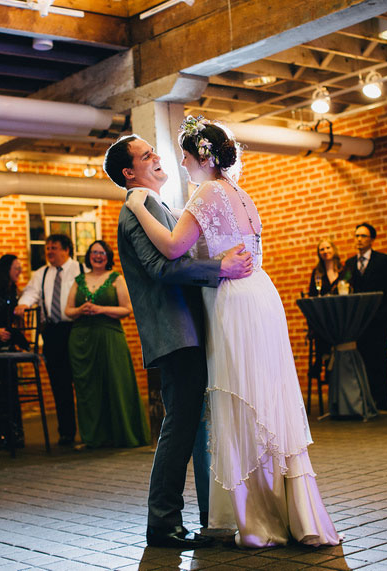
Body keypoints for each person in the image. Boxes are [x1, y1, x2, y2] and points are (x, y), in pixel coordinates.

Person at [126, 116, 341, 549]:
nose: (181, 165)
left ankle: (257, 517)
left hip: (232, 301)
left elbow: (170, 248)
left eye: (185, 157)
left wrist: (135, 205)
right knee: (267, 399)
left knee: (240, 402)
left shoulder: (204, 193)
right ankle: (294, 511)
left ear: (201, 157)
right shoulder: (241, 194)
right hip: (261, 294)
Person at [103, 134, 252, 549]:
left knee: (189, 425)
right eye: (145, 154)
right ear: (129, 172)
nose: (156, 156)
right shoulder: (139, 206)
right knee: (179, 427)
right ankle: (163, 523)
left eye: (154, 150)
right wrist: (218, 267)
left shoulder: (157, 205)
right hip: (174, 332)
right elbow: (160, 270)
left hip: (187, 330)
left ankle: (202, 516)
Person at [65, 239, 150, 449]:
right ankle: (92, 438)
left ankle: (124, 435)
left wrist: (101, 310)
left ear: (108, 256)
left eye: (102, 253)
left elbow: (127, 309)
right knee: (88, 390)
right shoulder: (79, 280)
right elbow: (67, 311)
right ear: (89, 256)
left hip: (110, 336)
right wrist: (80, 310)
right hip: (82, 339)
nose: (98, 256)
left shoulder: (116, 278)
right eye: (94, 252)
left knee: (117, 384)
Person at [15, 234, 81, 446]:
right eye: (47, 248)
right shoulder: (41, 273)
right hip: (52, 332)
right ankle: (66, 432)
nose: (49, 251)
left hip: (75, 329)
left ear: (66, 250)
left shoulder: (79, 269)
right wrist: (23, 304)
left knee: (81, 380)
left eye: (54, 248)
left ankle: (91, 430)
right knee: (59, 382)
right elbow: (31, 293)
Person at [344, 223, 387, 411]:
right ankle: (366, 399)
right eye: (356, 235)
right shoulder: (350, 263)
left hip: (379, 319)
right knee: (363, 357)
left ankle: (384, 398)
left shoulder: (383, 260)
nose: (359, 239)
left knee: (380, 358)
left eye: (363, 236)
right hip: (360, 321)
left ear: (371, 239)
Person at [0, 254, 30, 449]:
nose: (19, 272)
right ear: (6, 269)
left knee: (11, 388)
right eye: (16, 268)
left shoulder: (13, 291)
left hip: (9, 342)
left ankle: (13, 432)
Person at [308, 238, 344, 376]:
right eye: (322, 249)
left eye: (328, 248)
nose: (325, 251)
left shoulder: (343, 269)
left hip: (340, 314)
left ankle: (326, 359)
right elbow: (312, 295)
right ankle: (327, 359)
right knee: (321, 325)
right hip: (325, 315)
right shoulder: (317, 273)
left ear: (334, 249)